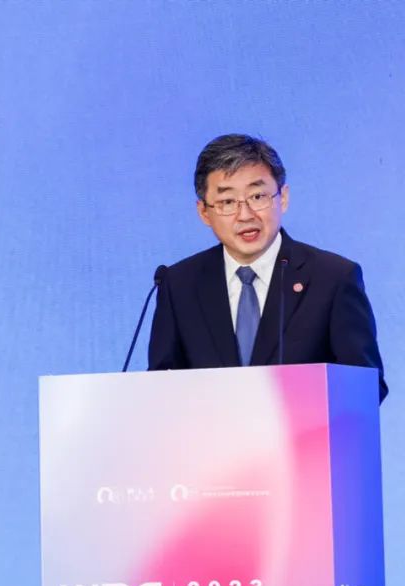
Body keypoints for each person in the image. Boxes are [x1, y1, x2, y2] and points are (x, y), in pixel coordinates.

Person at [148, 134, 388, 402]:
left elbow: (366, 388)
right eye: (227, 202)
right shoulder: (180, 284)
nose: (245, 215)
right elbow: (161, 391)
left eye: (258, 196)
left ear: (282, 197)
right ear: (204, 212)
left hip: (305, 430)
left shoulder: (333, 278)